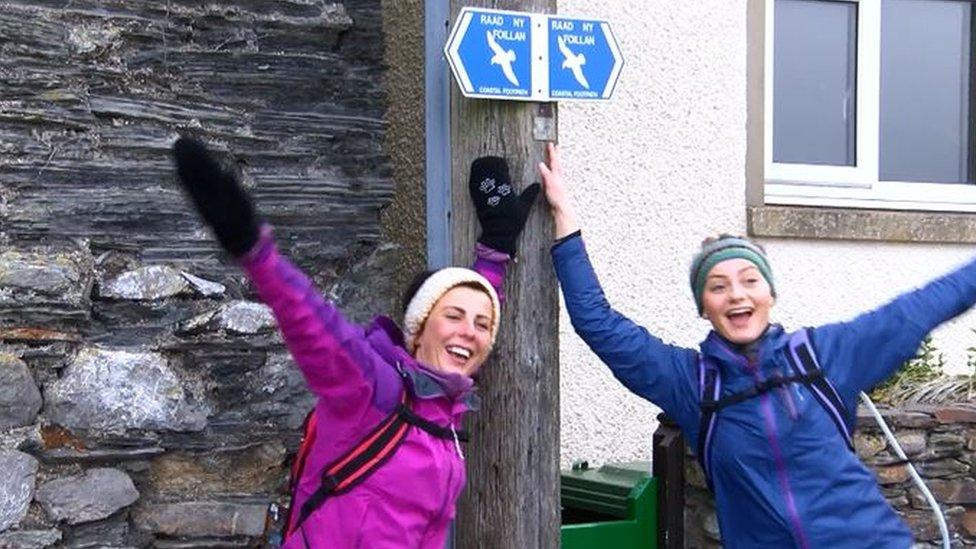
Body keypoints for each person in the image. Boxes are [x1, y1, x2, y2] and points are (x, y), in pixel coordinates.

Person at [537, 142, 976, 548]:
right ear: (703, 307)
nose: (737, 295)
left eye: (750, 281)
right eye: (718, 286)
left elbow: (917, 310)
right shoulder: (691, 385)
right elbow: (599, 325)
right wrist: (564, 217)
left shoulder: (822, 356)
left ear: (770, 294)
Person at [171, 137, 539, 548]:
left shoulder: (442, 409)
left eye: (483, 325)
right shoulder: (372, 389)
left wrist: (497, 249)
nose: (469, 330)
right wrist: (256, 251)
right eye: (452, 316)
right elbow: (315, 324)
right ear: (417, 330)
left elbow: (468, 323)